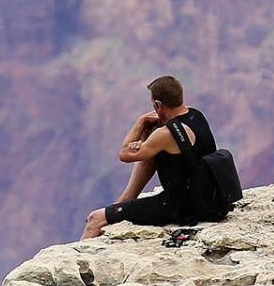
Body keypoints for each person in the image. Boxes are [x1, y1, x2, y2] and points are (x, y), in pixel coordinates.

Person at [82, 75, 218, 239]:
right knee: (155, 151)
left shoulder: (166, 134)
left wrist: (141, 122)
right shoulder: (196, 116)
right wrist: (148, 138)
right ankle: (126, 200)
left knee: (95, 219)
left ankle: (75, 262)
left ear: (158, 105)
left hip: (179, 207)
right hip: (207, 198)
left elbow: (125, 154)